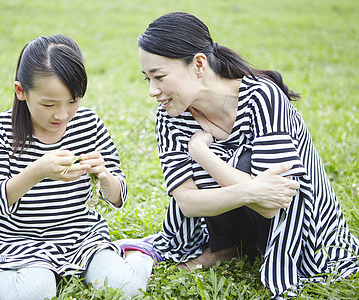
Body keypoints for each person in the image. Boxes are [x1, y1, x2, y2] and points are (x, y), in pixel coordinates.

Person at [137, 12, 359, 297]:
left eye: (159, 77)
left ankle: (251, 249)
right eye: (147, 79)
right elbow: (187, 202)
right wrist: (250, 189)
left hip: (296, 225)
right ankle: (227, 248)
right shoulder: (170, 115)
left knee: (239, 159)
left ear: (199, 65)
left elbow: (273, 205)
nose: (153, 91)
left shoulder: (261, 97)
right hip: (235, 216)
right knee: (232, 165)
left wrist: (201, 153)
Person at [0, 34, 156, 300]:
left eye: (73, 101)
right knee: (35, 293)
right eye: (48, 104)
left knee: (127, 289)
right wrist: (38, 170)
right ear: (21, 91)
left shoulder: (88, 123)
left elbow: (118, 197)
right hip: (22, 242)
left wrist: (103, 176)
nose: (62, 115)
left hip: (82, 238)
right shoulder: (1, 129)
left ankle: (137, 252)